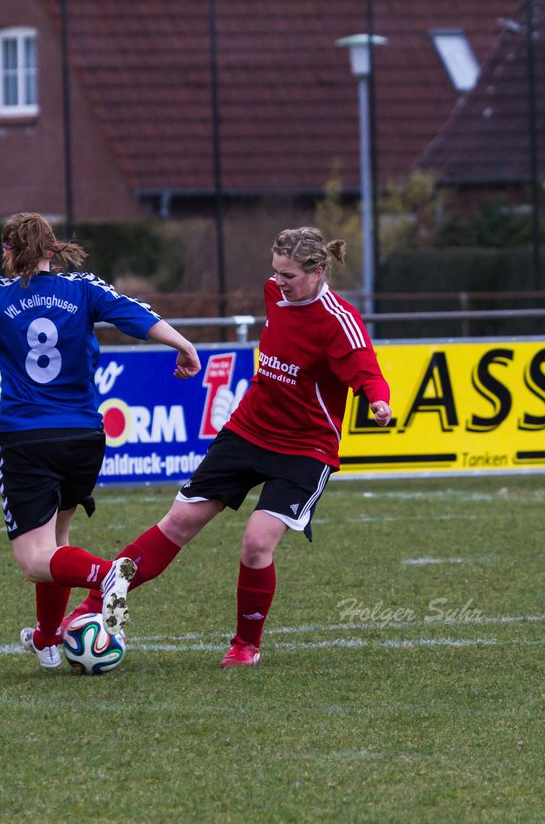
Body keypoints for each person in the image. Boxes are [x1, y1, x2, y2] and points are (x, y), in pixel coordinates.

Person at [64, 226, 393, 668]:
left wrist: (379, 401)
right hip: (249, 429)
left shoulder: (339, 321)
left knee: (257, 543)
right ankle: (90, 608)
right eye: (275, 272)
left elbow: (367, 369)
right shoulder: (275, 294)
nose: (278, 282)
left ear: (317, 273)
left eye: (289, 276)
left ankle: (245, 646)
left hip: (304, 447)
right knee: (178, 520)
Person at [0, 212, 202, 670]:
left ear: (7, 252)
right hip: (83, 436)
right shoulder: (83, 288)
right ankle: (47, 639)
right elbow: (137, 316)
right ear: (51, 251)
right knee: (56, 540)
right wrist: (185, 345)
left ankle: (105, 574)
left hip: (26, 437)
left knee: (36, 560)